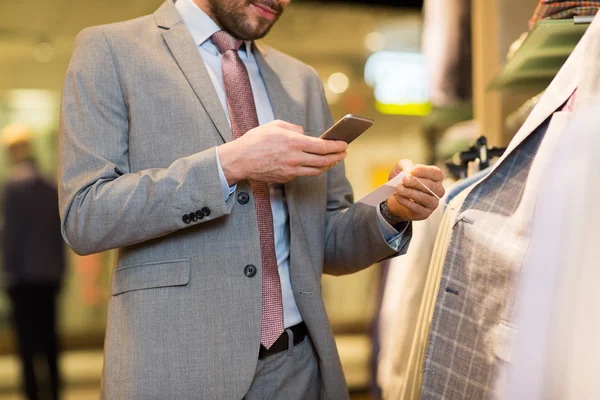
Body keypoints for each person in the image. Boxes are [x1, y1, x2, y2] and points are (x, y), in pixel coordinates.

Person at [58, 0, 445, 398]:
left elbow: (325, 243)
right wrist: (228, 165)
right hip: (177, 370)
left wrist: (390, 210)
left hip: (298, 370)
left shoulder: (301, 82)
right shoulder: (110, 50)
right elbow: (85, 216)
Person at [1, 124, 64, 400]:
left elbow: (10, 236)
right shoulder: (51, 186)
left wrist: (7, 271)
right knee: (50, 339)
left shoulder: (11, 189)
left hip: (23, 276)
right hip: (49, 274)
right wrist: (61, 270)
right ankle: (55, 391)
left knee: (27, 343)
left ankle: (33, 393)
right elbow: (59, 235)